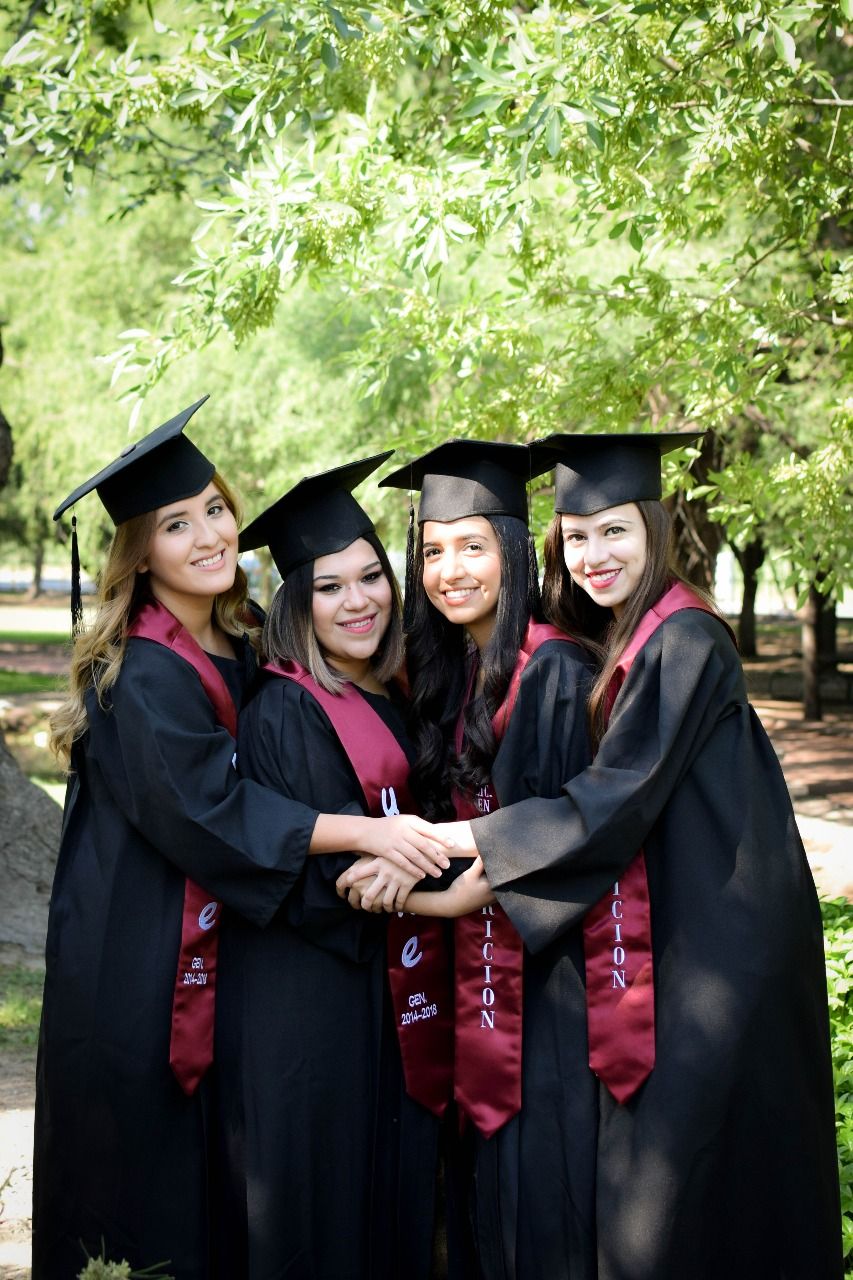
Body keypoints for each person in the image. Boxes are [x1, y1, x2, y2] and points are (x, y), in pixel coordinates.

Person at [360, 430, 843, 1279]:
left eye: (613, 531)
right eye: (576, 536)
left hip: (721, 945)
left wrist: (453, 849)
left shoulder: (683, 639)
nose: (593, 555)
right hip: (681, 930)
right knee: (667, 1178)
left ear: (654, 527)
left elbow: (615, 793)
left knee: (699, 1168)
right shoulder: (625, 638)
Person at [35, 400, 450, 1280]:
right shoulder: (139, 671)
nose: (209, 536)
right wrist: (371, 833)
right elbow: (212, 810)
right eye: (175, 524)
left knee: (215, 1174)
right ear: (139, 553)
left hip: (219, 934)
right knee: (145, 1168)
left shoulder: (241, 636)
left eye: (215, 509)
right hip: (138, 946)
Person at [217, 453, 471, 1280]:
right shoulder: (285, 709)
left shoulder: (392, 692)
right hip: (311, 1004)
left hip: (383, 992)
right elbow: (311, 880)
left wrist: (409, 869)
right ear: (296, 603)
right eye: (328, 587)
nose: (358, 601)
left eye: (370, 578)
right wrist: (438, 890)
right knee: (325, 1202)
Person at [352, 440, 595, 1273]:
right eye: (430, 551)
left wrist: (428, 895)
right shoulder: (444, 670)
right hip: (468, 971)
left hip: (546, 980)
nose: (448, 571)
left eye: (471, 547)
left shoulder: (552, 668)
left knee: (535, 1184)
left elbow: (564, 834)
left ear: (514, 553)